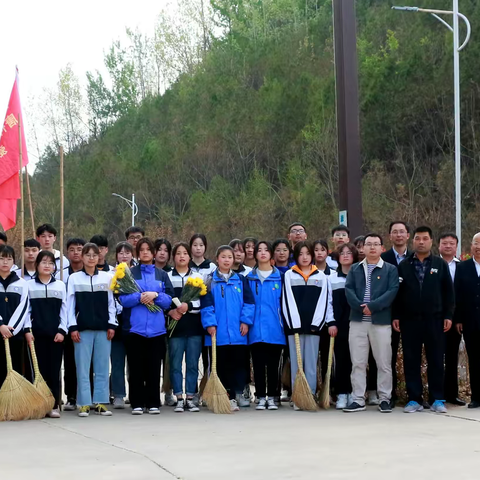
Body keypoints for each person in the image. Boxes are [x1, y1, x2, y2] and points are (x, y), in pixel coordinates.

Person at [393, 226, 454, 414]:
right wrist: (396, 315)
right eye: (418, 238)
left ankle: (437, 398)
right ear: (413, 241)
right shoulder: (404, 265)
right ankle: (414, 399)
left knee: (436, 359)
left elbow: (448, 293)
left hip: (435, 320)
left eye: (425, 238)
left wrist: (448, 316)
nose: (421, 242)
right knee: (411, 360)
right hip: (410, 320)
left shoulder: (439, 264)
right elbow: (397, 293)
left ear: (431, 241)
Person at [344, 233, 399, 413]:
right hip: (358, 321)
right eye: (368, 244)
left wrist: (373, 306)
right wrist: (362, 308)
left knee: (383, 362)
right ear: (363, 248)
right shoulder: (355, 268)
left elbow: (392, 291)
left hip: (380, 322)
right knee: (358, 362)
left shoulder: (390, 269)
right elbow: (349, 290)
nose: (372, 247)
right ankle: (358, 398)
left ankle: (385, 398)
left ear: (382, 248)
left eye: (376, 244)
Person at [119, 238, 174, 415]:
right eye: (141, 250)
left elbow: (169, 300)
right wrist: (139, 297)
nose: (145, 252)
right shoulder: (129, 273)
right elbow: (123, 299)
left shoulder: (161, 274)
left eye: (148, 250)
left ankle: (153, 403)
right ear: (137, 253)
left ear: (153, 253)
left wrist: (155, 295)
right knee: (136, 368)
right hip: (135, 329)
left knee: (153, 367)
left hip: (157, 330)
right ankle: (136, 402)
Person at [281, 241, 337, 410]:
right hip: (294, 327)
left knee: (311, 363)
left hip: (314, 327)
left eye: (307, 253)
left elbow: (324, 302)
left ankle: (310, 394)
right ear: (296, 256)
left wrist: (317, 323)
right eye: (300, 254)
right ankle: (298, 395)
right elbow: (287, 300)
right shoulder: (289, 275)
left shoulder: (321, 276)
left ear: (312, 255)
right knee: (297, 362)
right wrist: (294, 324)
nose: (304, 257)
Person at [201, 245, 255, 411]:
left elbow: (249, 303)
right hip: (218, 334)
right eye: (223, 257)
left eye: (229, 257)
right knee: (220, 367)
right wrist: (210, 324)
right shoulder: (209, 281)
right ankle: (225, 397)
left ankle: (238, 393)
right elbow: (206, 305)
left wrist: (245, 322)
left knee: (238, 365)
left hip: (238, 333)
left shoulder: (241, 279)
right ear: (217, 259)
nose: (226, 260)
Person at [67, 243, 118, 418]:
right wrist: (72, 326)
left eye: (94, 255)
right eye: (87, 254)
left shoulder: (107, 277)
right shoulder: (74, 279)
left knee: (102, 366)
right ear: (82, 257)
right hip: (82, 330)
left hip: (104, 329)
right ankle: (84, 403)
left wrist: (112, 324)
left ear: (99, 257)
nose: (90, 258)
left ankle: (101, 402)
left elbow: (112, 303)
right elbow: (70, 305)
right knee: (82, 366)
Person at [25, 251, 67, 418]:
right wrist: (28, 330)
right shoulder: (29, 286)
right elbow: (26, 311)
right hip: (35, 336)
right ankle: (39, 405)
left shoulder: (60, 286)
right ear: (37, 265)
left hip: (56, 336)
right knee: (37, 371)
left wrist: (62, 330)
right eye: (44, 262)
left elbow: (66, 311)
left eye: (51, 263)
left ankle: (54, 404)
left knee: (54, 370)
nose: (47, 265)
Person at [247, 241, 285, 411]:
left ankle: (273, 396)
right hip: (255, 328)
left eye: (266, 250)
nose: (262, 253)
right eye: (259, 250)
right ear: (255, 254)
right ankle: (261, 396)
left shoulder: (281, 278)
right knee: (258, 364)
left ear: (271, 254)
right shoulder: (249, 279)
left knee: (274, 364)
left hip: (276, 328)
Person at [167, 242, 204, 413]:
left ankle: (190, 396)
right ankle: (179, 397)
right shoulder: (167, 275)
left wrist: (188, 306)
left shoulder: (197, 277)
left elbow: (203, 300)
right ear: (173, 257)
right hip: (175, 329)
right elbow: (164, 298)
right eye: (178, 253)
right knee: (175, 364)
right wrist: (171, 311)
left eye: (185, 253)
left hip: (194, 327)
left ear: (190, 257)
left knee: (192, 364)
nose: (182, 256)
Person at [380, 221, 412, 407]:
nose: (399, 235)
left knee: (410, 356)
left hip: (409, 316)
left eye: (402, 232)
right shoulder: (383, 258)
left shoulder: (417, 257)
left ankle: (412, 395)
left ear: (408, 235)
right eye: (395, 232)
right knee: (387, 358)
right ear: (390, 236)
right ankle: (388, 395)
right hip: (388, 315)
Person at [330, 243, 358, 409]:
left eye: (349, 253)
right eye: (343, 253)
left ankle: (355, 393)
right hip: (339, 326)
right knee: (341, 360)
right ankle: (342, 393)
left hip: (358, 324)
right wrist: (331, 322)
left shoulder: (359, 277)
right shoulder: (332, 278)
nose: (346, 255)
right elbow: (328, 302)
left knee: (357, 361)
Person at [438, 232, 464, 406]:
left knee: (452, 357)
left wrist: (459, 319)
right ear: (438, 245)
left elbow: (463, 296)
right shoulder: (433, 264)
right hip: (435, 318)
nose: (448, 246)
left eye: (451, 243)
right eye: (444, 243)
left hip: (455, 320)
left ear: (456, 246)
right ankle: (436, 394)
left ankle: (451, 394)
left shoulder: (462, 267)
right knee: (435, 358)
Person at [455, 233, 480, 408]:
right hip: (470, 321)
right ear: (470, 246)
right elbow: (457, 294)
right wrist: (458, 319)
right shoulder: (463, 267)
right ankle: (476, 397)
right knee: (475, 360)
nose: (478, 247)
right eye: (476, 243)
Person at [61, 237, 86, 411]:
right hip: (68, 324)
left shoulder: (91, 272)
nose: (76, 252)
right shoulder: (61, 274)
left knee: (87, 363)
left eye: (79, 249)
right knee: (69, 361)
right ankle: (70, 396)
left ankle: (87, 396)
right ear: (67, 253)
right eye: (72, 249)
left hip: (87, 324)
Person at [0, 245, 30, 386]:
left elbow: (24, 307)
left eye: (8, 258)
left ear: (13, 261)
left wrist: (11, 329)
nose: (5, 262)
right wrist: (0, 325)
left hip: (14, 335)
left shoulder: (22, 283)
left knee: (15, 369)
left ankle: (13, 406)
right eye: (1, 258)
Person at [110, 241, 135, 409]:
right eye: (121, 252)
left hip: (134, 324)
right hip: (117, 325)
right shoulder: (110, 273)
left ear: (133, 255)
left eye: (127, 252)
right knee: (117, 362)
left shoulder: (138, 273)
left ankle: (134, 395)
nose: (124, 255)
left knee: (134, 363)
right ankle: (118, 394)